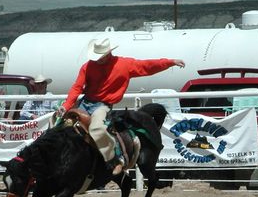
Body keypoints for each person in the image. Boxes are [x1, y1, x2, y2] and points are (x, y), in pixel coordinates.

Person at [57, 37, 185, 175]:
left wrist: (170, 62)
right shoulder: (88, 66)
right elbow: (77, 87)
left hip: (102, 105)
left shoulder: (124, 64)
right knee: (61, 125)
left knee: (97, 129)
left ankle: (116, 160)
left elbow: (147, 66)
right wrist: (66, 105)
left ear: (108, 53)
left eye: (101, 56)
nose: (98, 59)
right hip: (85, 102)